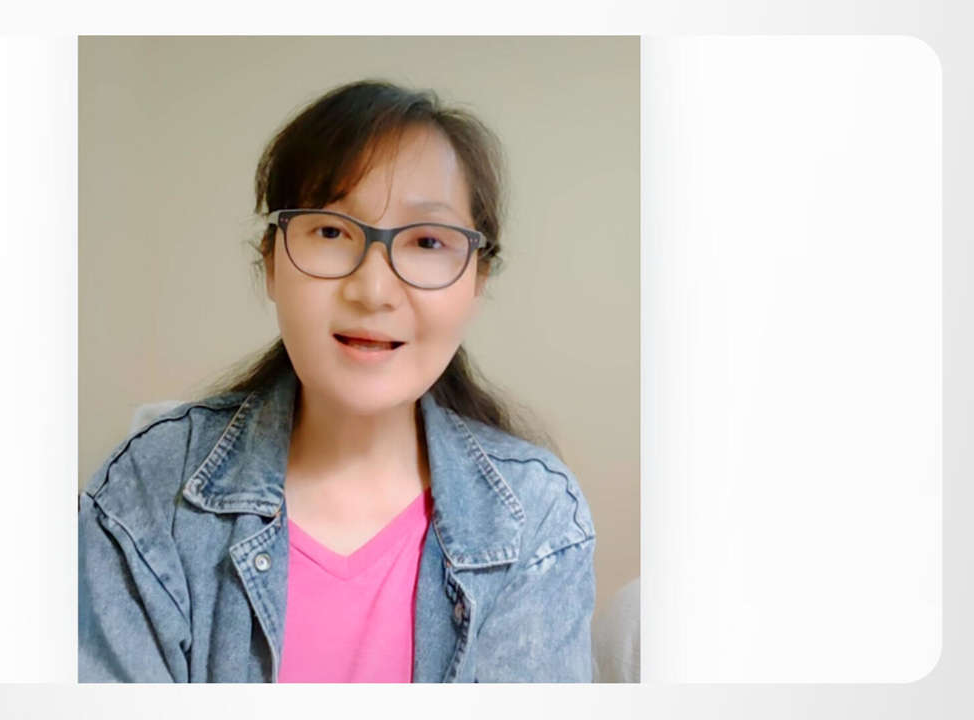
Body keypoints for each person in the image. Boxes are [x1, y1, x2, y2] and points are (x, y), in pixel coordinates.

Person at [78, 79, 596, 683]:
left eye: (427, 241)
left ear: (477, 281)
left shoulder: (537, 520)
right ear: (271, 261)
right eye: (330, 231)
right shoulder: (147, 490)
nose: (373, 291)